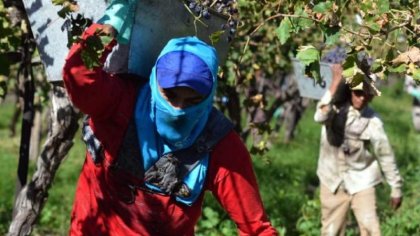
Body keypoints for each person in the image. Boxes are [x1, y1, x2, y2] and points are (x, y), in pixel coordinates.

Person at [62, 21, 278, 235]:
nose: (177, 110)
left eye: (192, 101)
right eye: (170, 95)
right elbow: (78, 77)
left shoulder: (218, 144)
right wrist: (110, 24)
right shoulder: (120, 103)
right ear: (154, 80)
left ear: (209, 98)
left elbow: (256, 229)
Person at [313, 64, 403, 235]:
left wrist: (395, 187)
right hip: (332, 179)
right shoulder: (334, 109)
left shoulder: (372, 121)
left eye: (366, 95)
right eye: (358, 93)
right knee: (331, 231)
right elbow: (319, 116)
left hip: (362, 180)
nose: (361, 99)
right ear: (349, 91)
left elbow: (385, 154)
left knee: (370, 228)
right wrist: (334, 85)